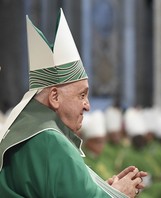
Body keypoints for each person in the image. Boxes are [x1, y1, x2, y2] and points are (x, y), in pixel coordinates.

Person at [0, 9, 146, 198]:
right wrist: (120, 194)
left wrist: (105, 189)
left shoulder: (28, 130)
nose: (88, 105)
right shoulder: (50, 140)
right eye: (82, 95)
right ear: (54, 97)